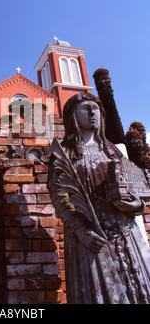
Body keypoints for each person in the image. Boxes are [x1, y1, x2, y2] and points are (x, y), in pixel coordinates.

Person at [48, 92, 150, 304]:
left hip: (126, 234)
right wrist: (80, 229)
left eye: (95, 109)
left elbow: (134, 188)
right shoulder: (64, 154)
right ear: (72, 116)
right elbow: (60, 197)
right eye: (85, 109)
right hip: (91, 237)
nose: (92, 113)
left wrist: (136, 204)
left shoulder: (113, 151)